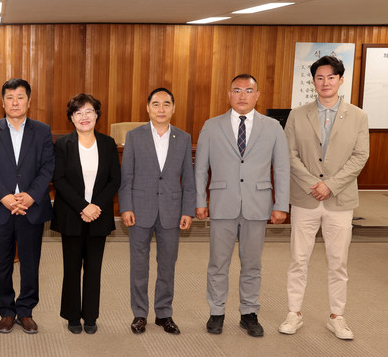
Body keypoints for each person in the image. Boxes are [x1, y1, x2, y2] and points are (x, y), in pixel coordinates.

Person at [279, 56, 369, 340]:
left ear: (341, 80)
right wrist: (312, 184)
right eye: (320, 77)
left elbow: (360, 156)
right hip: (305, 199)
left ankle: (337, 317)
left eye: (331, 77)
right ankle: (294, 313)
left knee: (338, 261)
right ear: (313, 82)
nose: (325, 82)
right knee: (298, 259)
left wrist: (330, 185)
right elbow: (289, 154)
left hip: (339, 201)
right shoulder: (298, 114)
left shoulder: (358, 116)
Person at [195, 74, 290, 337]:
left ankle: (249, 313)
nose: (242, 96)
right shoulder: (212, 126)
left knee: (252, 264)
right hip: (222, 203)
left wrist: (281, 204)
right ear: (229, 94)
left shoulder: (273, 127)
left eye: (248, 90)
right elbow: (200, 168)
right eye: (237, 90)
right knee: (218, 263)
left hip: (257, 204)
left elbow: (282, 168)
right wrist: (200, 201)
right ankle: (216, 312)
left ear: (257, 95)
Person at [0, 78, 54, 334]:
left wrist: (31, 196)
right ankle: (6, 311)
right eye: (10, 98)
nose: (15, 102)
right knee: (1, 263)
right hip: (0, 207)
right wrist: (5, 197)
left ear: (29, 101)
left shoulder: (42, 131)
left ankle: (25, 310)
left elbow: (48, 166)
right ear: (2, 102)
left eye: (20, 97)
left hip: (31, 208)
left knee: (30, 263)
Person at [119, 88, 195, 335]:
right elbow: (126, 176)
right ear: (148, 108)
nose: (161, 109)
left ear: (173, 108)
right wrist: (126, 207)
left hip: (172, 211)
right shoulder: (134, 136)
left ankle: (164, 314)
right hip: (139, 209)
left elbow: (189, 178)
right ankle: (140, 314)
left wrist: (188, 210)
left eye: (166, 104)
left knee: (167, 265)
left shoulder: (183, 138)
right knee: (139, 265)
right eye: (156, 104)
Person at [51, 94, 120, 335]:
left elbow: (114, 180)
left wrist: (95, 206)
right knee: (71, 268)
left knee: (94, 269)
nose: (84, 117)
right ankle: (72, 316)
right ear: (71, 118)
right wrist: (83, 206)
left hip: (98, 215)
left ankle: (90, 316)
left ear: (96, 115)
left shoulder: (108, 143)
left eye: (89, 111)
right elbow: (59, 179)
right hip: (71, 214)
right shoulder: (62, 144)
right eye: (78, 113)